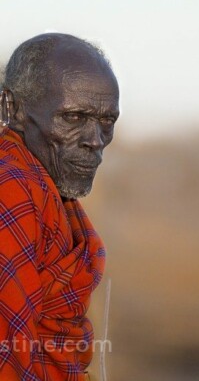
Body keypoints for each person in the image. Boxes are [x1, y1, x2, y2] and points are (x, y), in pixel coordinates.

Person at [0, 33, 119, 380]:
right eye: (73, 118)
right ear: (12, 108)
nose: (95, 140)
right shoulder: (10, 187)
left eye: (107, 121)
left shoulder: (42, 185)